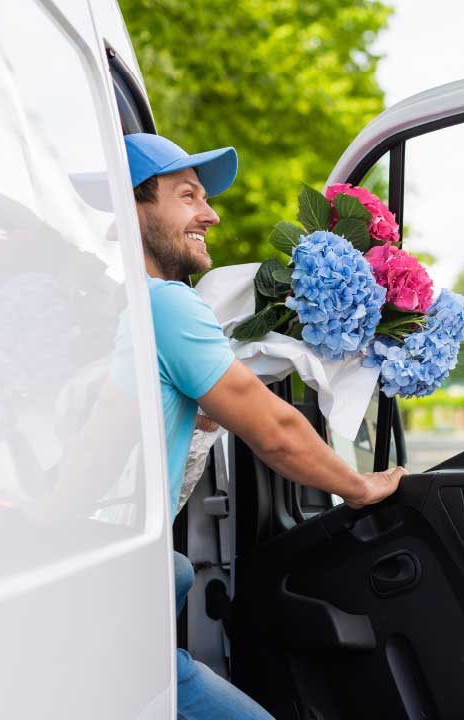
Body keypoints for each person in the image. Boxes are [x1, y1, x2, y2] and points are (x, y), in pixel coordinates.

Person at [124, 132, 406, 719]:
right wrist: (362, 487)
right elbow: (274, 429)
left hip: (111, 583)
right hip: (112, 603)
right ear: (134, 207)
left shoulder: (113, 307)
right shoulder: (165, 306)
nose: (211, 213)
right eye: (187, 196)